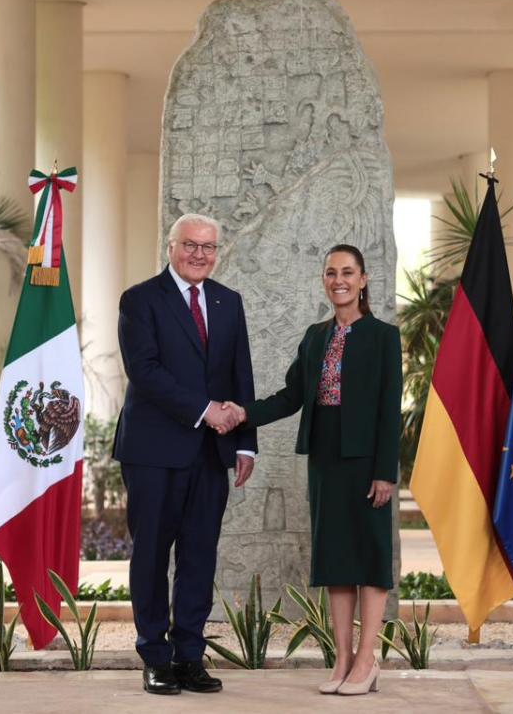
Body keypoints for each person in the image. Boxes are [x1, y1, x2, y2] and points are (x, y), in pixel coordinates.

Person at [225, 244, 401, 696]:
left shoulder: (383, 336)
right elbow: (290, 396)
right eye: (330, 272)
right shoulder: (314, 335)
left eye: (347, 272)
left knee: (371, 555)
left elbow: (388, 409)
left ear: (363, 279)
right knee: (336, 558)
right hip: (325, 458)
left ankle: (368, 658)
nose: (338, 279)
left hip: (366, 463)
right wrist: (242, 413)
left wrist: (385, 472)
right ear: (324, 280)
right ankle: (342, 658)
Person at [113, 213, 257, 696]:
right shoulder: (140, 300)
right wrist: (204, 410)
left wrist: (244, 441)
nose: (200, 254)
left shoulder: (228, 302)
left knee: (199, 557)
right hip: (154, 451)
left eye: (209, 247)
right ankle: (155, 656)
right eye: (191, 245)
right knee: (152, 556)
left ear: (218, 252)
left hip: (212, 452)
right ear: (171, 246)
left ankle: (189, 657)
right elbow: (145, 372)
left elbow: (241, 373)